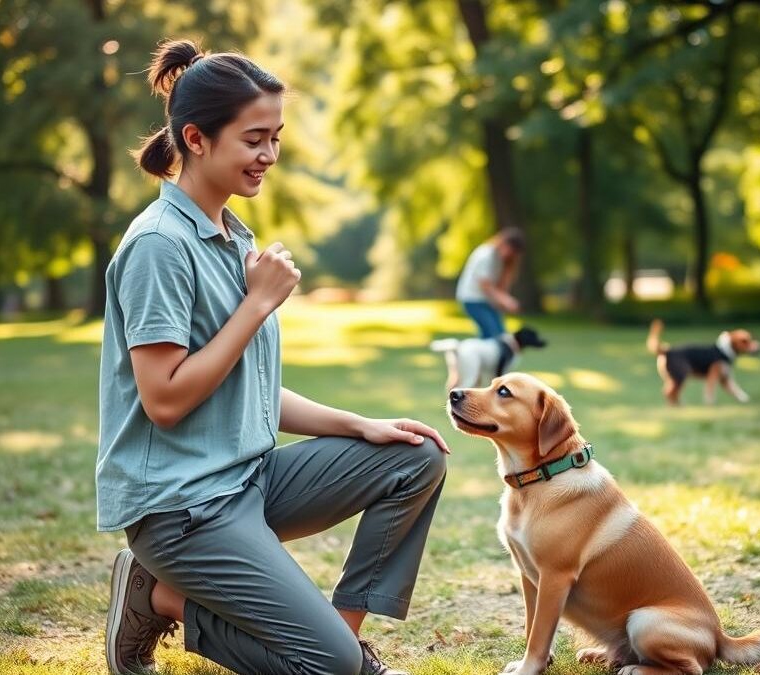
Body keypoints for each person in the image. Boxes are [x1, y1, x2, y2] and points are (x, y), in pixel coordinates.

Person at [97, 39, 449, 675]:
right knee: (329, 669)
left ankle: (344, 643)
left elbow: (242, 388)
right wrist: (256, 306)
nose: (270, 156)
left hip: (246, 481)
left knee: (414, 459)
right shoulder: (158, 245)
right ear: (197, 139)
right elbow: (167, 400)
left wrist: (361, 425)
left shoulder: (233, 236)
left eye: (276, 138)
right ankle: (158, 594)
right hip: (181, 510)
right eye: (255, 139)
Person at [455, 227, 525, 338]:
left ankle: (483, 354)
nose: (508, 253)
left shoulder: (502, 260)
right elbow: (485, 285)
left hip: (487, 301)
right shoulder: (486, 255)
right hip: (472, 299)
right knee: (493, 334)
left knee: (499, 334)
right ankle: (479, 354)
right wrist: (505, 300)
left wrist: (501, 302)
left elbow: (501, 285)